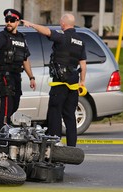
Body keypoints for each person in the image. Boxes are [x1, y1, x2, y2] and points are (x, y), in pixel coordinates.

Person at [22, 14, 87, 147]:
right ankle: (72, 147)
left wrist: (32, 25)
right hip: (73, 83)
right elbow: (83, 64)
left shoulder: (62, 36)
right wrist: (82, 81)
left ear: (63, 23)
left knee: (55, 112)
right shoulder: (80, 41)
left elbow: (47, 31)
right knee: (70, 116)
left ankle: (55, 143)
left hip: (60, 83)